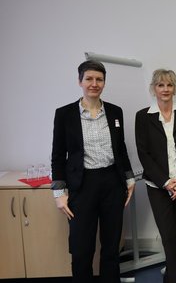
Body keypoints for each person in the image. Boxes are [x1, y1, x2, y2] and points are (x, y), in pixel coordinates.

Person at [51, 60, 135, 283]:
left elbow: (121, 149)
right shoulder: (64, 114)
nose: (94, 84)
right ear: (80, 81)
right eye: (89, 79)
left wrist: (129, 178)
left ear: (104, 83)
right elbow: (58, 156)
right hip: (82, 186)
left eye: (99, 79)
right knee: (81, 248)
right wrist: (59, 194)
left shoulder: (115, 112)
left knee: (110, 246)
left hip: (112, 184)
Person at [135, 69, 176, 283]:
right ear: (154, 88)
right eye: (161, 85)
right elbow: (144, 154)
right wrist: (166, 182)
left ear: (175, 88)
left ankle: (173, 274)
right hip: (158, 186)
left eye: (169, 85)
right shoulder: (143, 116)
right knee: (169, 236)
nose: (165, 89)